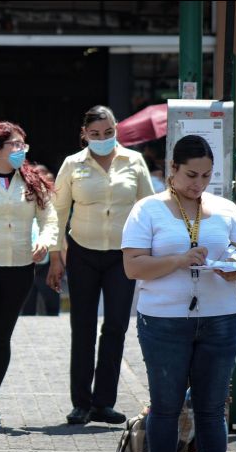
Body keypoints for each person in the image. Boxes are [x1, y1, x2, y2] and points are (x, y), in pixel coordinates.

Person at [121, 134, 236, 452]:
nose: (198, 184)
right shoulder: (147, 209)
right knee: (166, 407)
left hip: (220, 319)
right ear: (173, 169)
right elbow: (133, 267)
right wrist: (179, 260)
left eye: (206, 175)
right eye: (190, 175)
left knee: (212, 409)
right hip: (164, 321)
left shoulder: (225, 208)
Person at [47, 105, 155, 426]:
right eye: (95, 134)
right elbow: (57, 211)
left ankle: (103, 402)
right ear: (85, 135)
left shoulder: (134, 161)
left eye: (108, 133)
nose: (102, 139)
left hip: (122, 256)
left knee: (116, 327)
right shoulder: (72, 164)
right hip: (82, 252)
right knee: (82, 327)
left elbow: (148, 208)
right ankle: (80, 402)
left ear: (116, 129)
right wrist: (56, 255)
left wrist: (151, 254)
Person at [0, 122, 58, 428]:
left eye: (23, 145)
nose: (20, 151)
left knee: (2, 336)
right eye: (14, 145)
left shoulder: (34, 183)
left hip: (20, 268)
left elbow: (50, 220)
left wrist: (45, 241)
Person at [22, 165, 61, 317]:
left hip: (48, 256)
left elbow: (56, 229)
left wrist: (59, 260)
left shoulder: (54, 202)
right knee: (28, 304)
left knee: (51, 300)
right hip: (28, 257)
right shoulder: (25, 197)